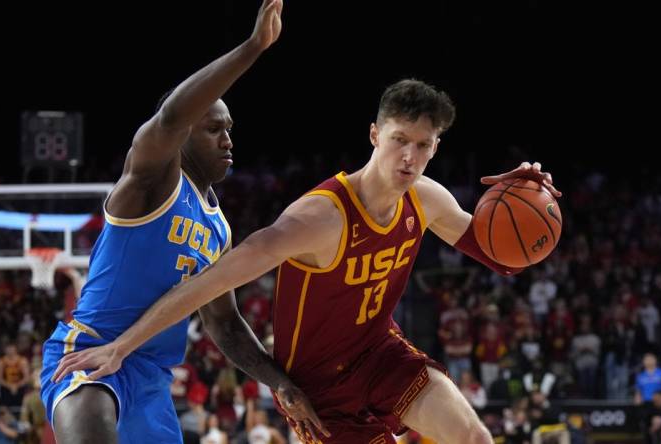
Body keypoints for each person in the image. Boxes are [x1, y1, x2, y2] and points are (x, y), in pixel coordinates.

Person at [54, 77, 561, 443]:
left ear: (435, 147)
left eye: (423, 145)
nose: (409, 157)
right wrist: (122, 346)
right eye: (399, 141)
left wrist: (526, 205)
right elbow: (209, 286)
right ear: (374, 136)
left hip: (381, 354)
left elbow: (505, 260)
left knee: (473, 437)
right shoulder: (319, 217)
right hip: (319, 390)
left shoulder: (427, 199)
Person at [41, 1, 321, 443]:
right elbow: (171, 116)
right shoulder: (151, 183)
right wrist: (253, 48)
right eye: (214, 129)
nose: (228, 140)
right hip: (92, 354)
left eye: (230, 129)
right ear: (187, 133)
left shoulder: (219, 229)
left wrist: (279, 381)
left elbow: (224, 323)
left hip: (152, 379)